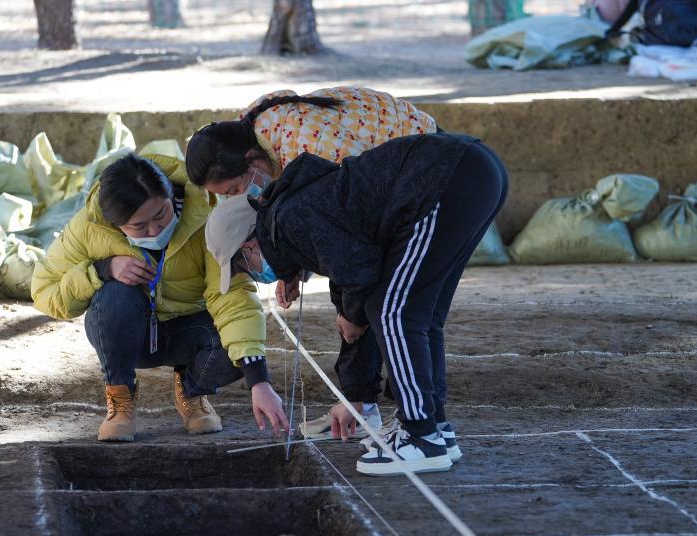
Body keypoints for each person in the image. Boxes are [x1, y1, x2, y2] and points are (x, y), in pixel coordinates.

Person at [205, 133, 509, 475]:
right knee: (416, 313)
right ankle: (434, 427)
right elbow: (353, 279)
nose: (255, 273)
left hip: (444, 179)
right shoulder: (298, 213)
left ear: (249, 245)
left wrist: (351, 315)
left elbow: (360, 277)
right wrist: (357, 393)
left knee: (393, 311)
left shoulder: (293, 219)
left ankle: (421, 436)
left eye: (244, 266)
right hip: (473, 170)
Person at [185, 86, 438, 440]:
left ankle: (410, 423)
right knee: (368, 297)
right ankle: (368, 406)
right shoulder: (261, 137)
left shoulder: (304, 145)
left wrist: (350, 315)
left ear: (252, 160)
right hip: (401, 180)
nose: (239, 200)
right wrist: (291, 267)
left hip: (425, 173)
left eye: (233, 190)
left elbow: (348, 246)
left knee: (384, 305)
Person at [31, 152, 289, 442]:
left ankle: (192, 392)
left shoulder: (206, 216)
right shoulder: (90, 227)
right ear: (115, 223)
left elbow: (231, 296)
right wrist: (101, 269)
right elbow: (44, 292)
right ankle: (120, 397)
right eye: (139, 227)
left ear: (170, 195)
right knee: (115, 295)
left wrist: (259, 381)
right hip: (132, 333)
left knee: (234, 347)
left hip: (190, 330)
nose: (155, 230)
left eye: (161, 214)